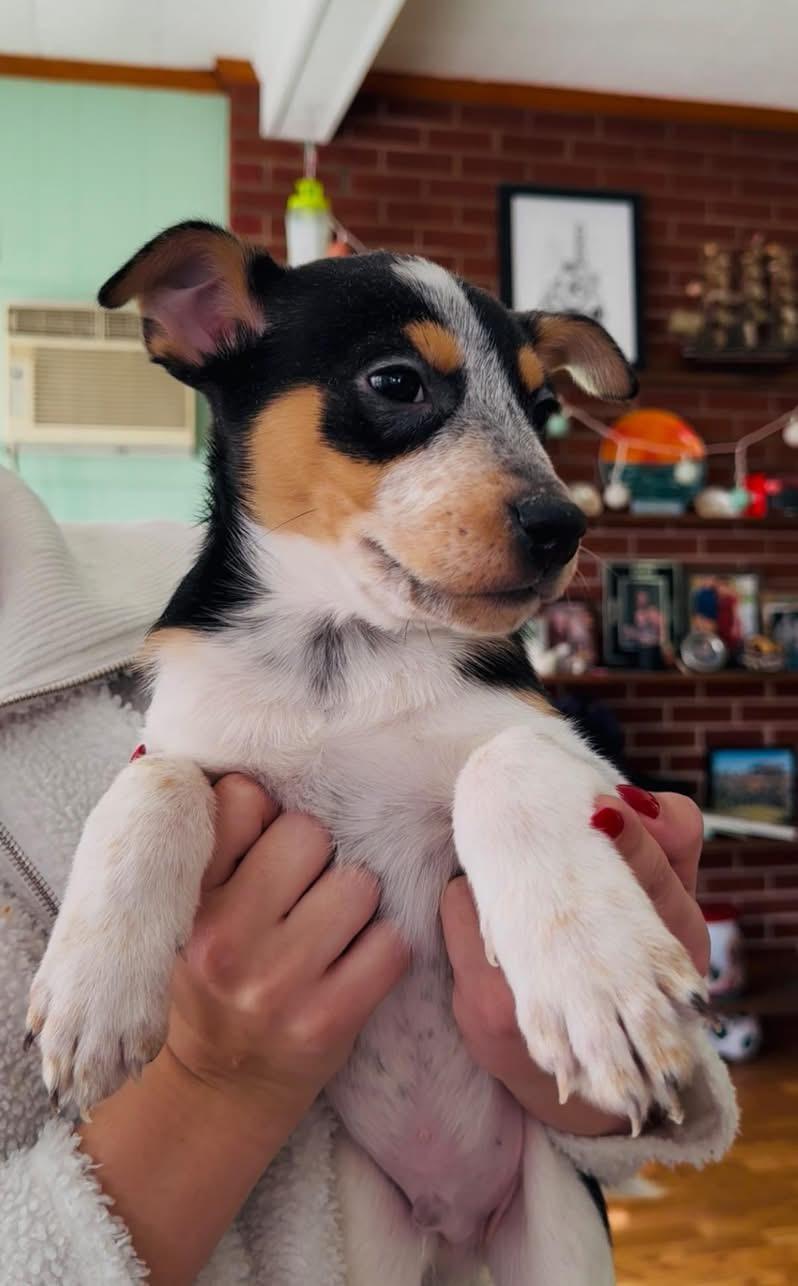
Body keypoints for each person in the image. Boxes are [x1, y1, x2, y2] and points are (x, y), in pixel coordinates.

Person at [0, 467, 737, 1285]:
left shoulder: (298, 569)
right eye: (397, 389)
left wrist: (609, 1022)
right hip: (350, 1203)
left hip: (524, 1165)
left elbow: (515, 762)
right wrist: (207, 1082)